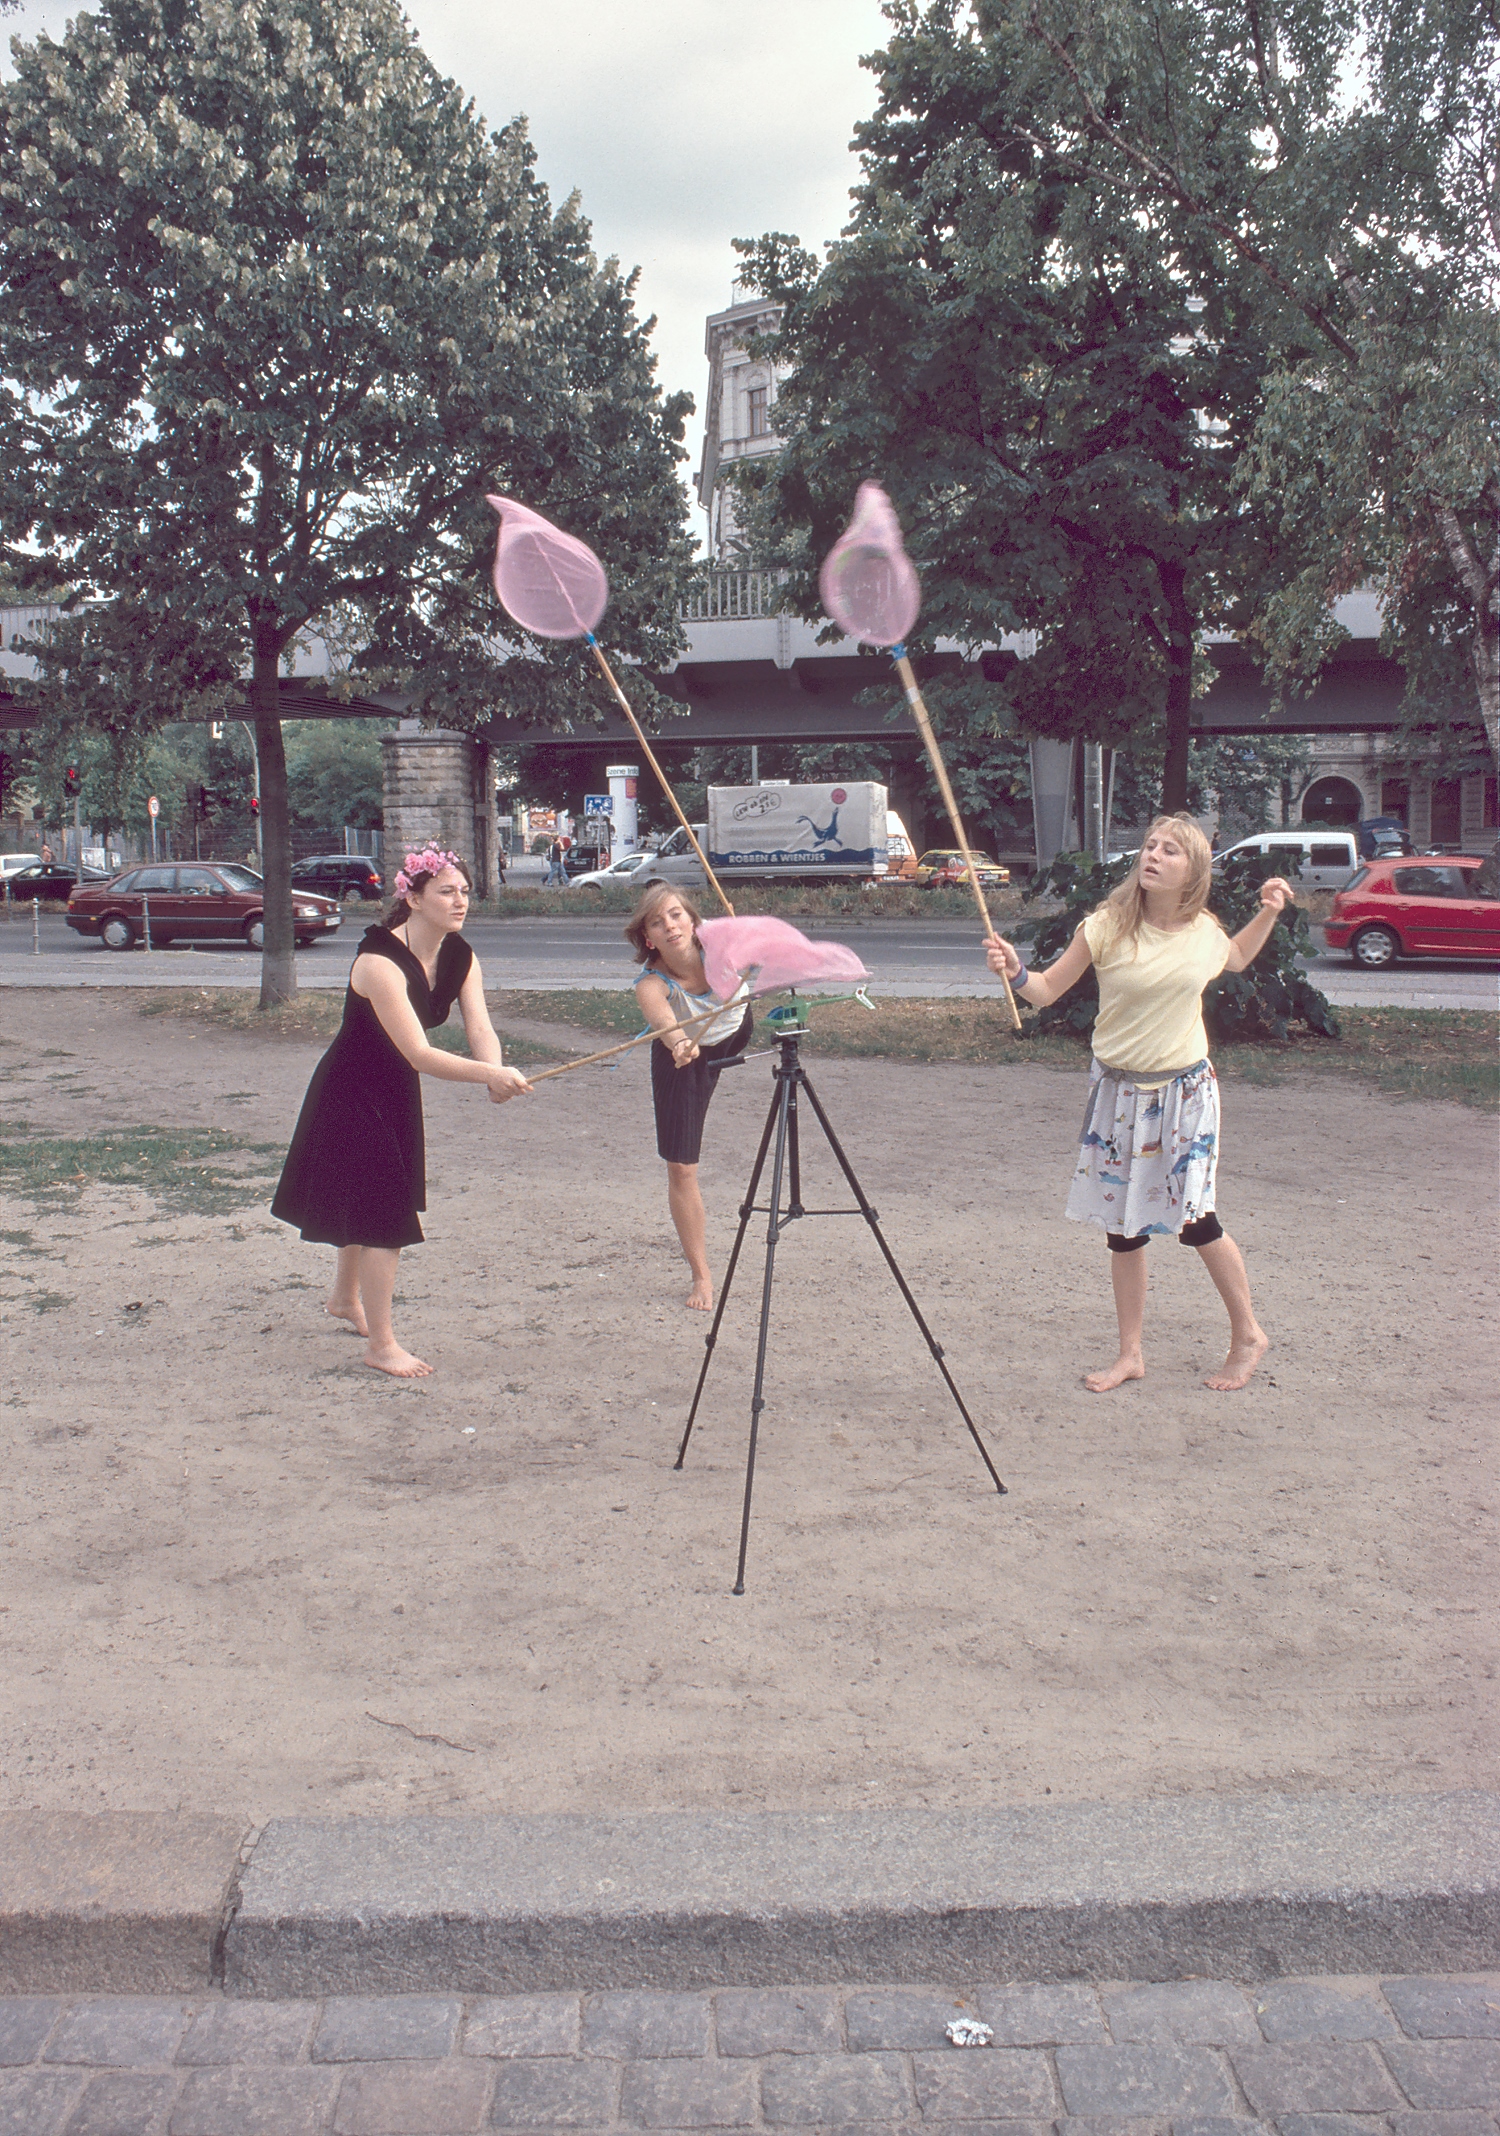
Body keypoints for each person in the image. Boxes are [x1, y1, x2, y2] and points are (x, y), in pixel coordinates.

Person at [984, 814, 1293, 1394]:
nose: (1153, 854)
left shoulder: (1202, 933)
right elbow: (1046, 991)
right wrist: (1016, 970)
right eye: (1150, 845)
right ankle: (1130, 1354)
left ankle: (1248, 1334)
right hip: (1119, 1094)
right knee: (1123, 1231)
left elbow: (1235, 957)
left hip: (1185, 1095)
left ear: (1192, 871)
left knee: (1197, 1223)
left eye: (1170, 850)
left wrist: (1269, 912)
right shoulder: (1105, 926)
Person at [272, 847, 531, 1377]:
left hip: (395, 1090)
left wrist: (494, 1071)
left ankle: (344, 1299)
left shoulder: (461, 956)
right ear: (412, 898)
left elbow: (480, 1026)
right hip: (350, 1091)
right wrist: (489, 1076)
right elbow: (419, 1052)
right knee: (385, 1215)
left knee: (367, 1201)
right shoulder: (378, 962)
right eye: (446, 892)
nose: (460, 901)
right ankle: (383, 1346)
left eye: (464, 891)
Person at [627, 882, 753, 1311]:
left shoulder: (720, 944)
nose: (669, 926)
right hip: (685, 1057)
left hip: (733, 1032)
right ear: (648, 938)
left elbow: (764, 945)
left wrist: (744, 936)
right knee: (681, 1167)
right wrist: (680, 1043)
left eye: (676, 914)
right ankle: (701, 1275)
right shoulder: (652, 984)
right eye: (656, 922)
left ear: (693, 920)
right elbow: (665, 1023)